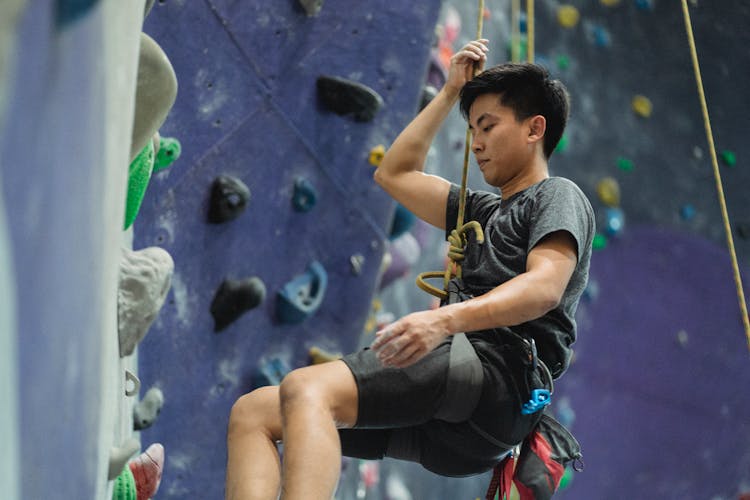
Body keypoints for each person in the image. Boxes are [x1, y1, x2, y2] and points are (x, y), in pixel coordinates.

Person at [225, 38, 595, 500]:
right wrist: (447, 94)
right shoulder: (479, 210)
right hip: (463, 421)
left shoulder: (556, 195)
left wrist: (443, 320)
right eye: (472, 130)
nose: (476, 144)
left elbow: (544, 288)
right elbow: (395, 174)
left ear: (534, 128)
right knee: (255, 412)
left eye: (488, 126)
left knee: (307, 390)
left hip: (495, 376)